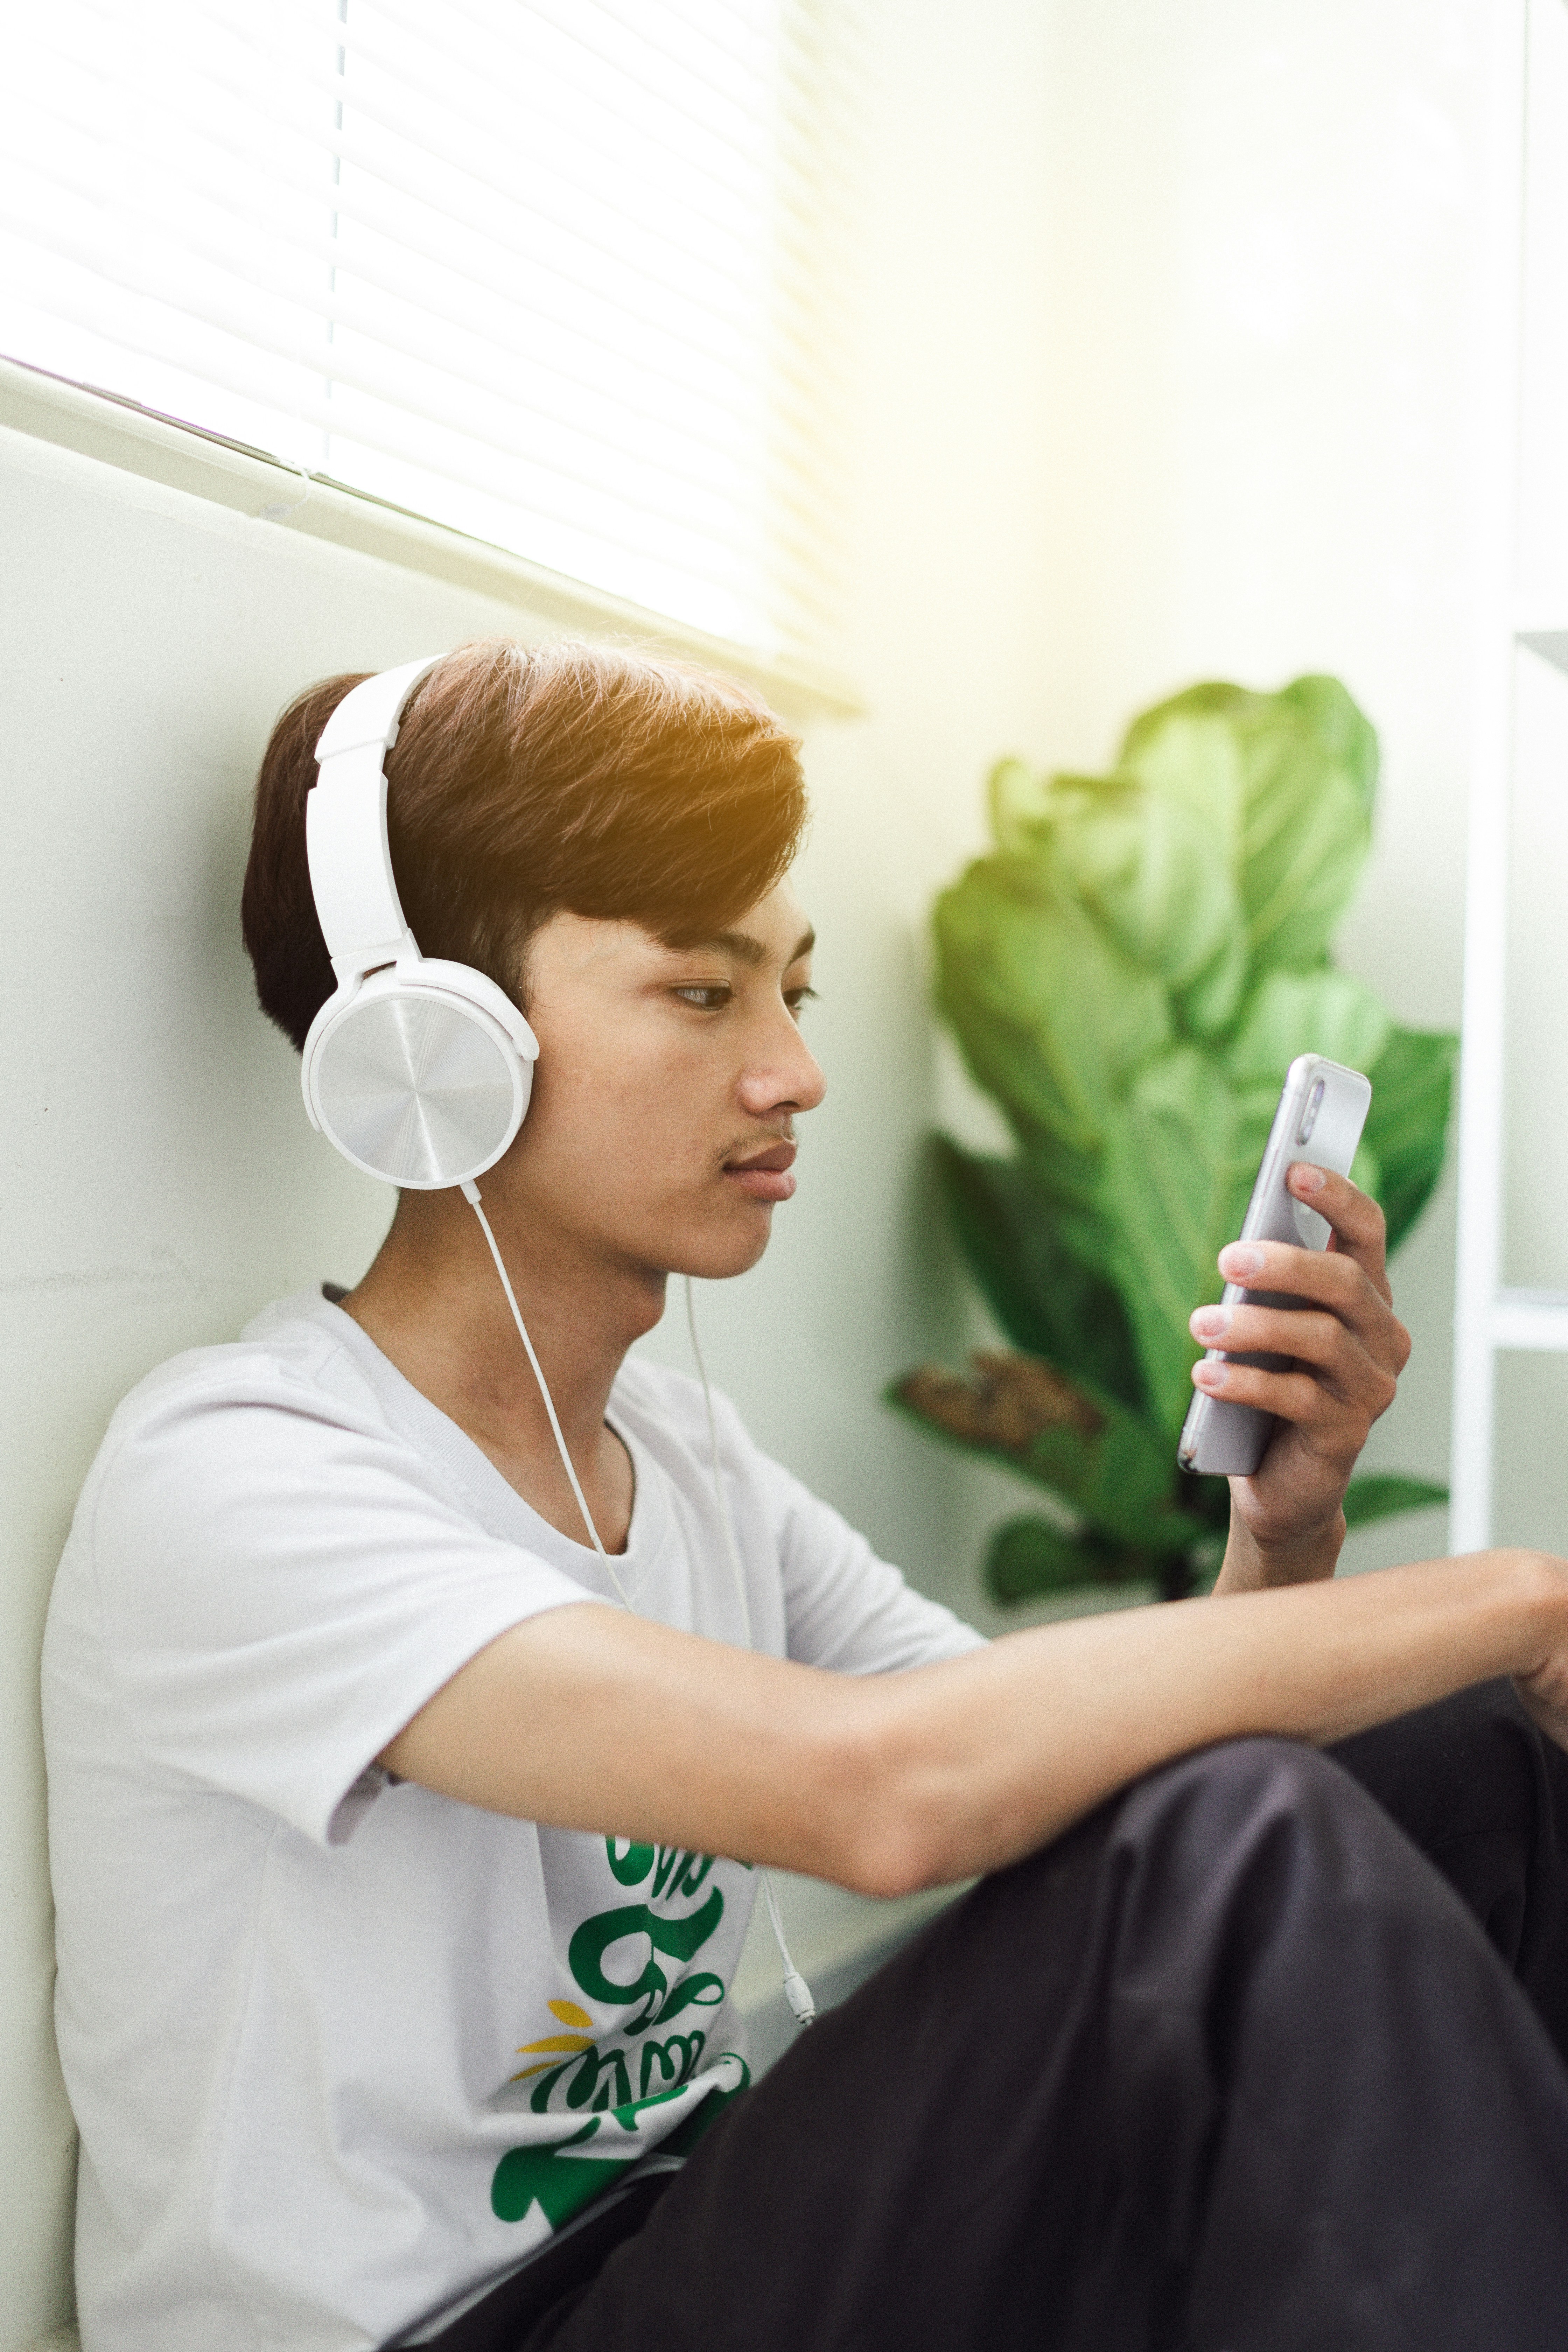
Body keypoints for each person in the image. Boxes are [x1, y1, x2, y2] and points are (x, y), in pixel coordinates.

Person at [42, 638, 1568, 2352]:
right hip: (459, 2337)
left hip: (674, 2262)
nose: (794, 1073)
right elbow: (880, 1797)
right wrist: (1516, 1602)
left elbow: (1102, 1785)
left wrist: (1279, 1535)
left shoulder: (689, 1464)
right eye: (704, 994)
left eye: (795, 992)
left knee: (1468, 1773)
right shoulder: (239, 1474)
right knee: (1270, 1829)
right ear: (432, 1045)